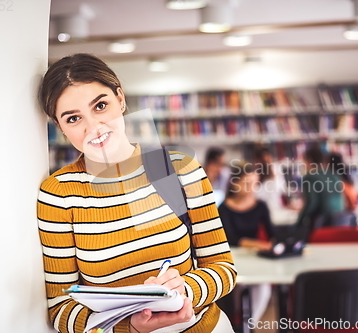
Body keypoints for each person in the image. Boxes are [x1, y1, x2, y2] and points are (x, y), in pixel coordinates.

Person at [37, 53, 236, 333]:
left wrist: (186, 289)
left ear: (120, 99)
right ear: (60, 127)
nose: (93, 127)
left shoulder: (180, 168)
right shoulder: (59, 194)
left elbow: (223, 268)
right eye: (73, 118)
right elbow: (60, 306)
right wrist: (130, 328)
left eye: (101, 106)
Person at [217, 163, 274, 323]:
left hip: (255, 259)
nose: (251, 188)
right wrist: (258, 244)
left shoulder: (261, 206)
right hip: (233, 259)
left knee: (263, 287)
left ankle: (247, 325)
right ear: (235, 183)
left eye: (255, 183)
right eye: (247, 183)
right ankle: (233, 323)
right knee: (233, 289)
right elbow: (231, 239)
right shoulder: (224, 208)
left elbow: (273, 235)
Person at [295, 144, 345, 236]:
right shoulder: (334, 176)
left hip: (321, 224)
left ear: (309, 160)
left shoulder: (309, 177)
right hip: (340, 222)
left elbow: (312, 203)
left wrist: (299, 222)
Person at [254, 147, 294, 224]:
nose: (268, 162)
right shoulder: (256, 177)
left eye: (269, 159)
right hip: (265, 212)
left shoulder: (276, 170)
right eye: (265, 160)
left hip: (277, 210)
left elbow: (281, 189)